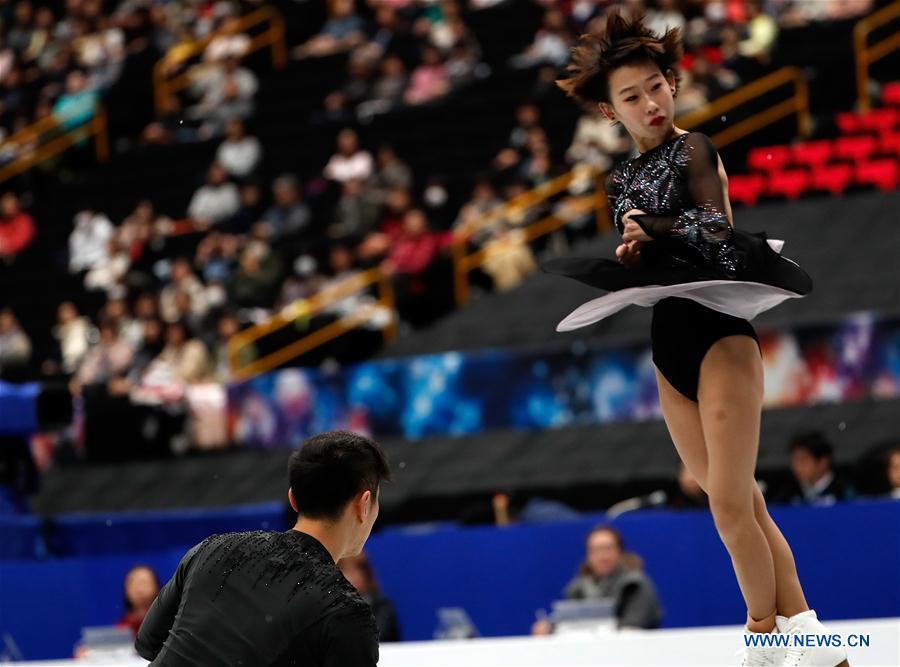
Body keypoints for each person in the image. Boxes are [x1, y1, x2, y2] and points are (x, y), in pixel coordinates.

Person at [546, 13, 845, 667]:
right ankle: (820, 647)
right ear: (608, 109)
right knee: (742, 505)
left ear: (672, 83)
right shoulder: (620, 180)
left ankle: (763, 637)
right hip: (668, 342)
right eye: (631, 96)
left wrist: (649, 226)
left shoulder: (696, 149)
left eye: (657, 86)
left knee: (734, 507)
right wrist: (631, 250)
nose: (650, 103)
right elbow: (651, 255)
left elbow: (715, 232)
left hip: (720, 334)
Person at [135, 430, 391, 665]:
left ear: (293, 498)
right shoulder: (344, 611)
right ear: (364, 504)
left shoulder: (211, 550)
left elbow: (148, 643)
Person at [532, 525, 662, 634]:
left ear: (620, 552)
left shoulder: (635, 584)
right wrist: (550, 629)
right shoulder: (578, 588)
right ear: (588, 556)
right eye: (596, 550)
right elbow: (570, 625)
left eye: (608, 548)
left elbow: (633, 627)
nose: (603, 556)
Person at [774, 432, 854, 505]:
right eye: (794, 460)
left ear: (823, 462)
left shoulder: (844, 492)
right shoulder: (787, 494)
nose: (796, 466)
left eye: (803, 460)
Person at [339, 552, 401, 642]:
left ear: (367, 574)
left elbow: (377, 638)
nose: (353, 576)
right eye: (345, 570)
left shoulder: (381, 606)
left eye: (358, 570)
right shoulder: (324, 608)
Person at [119, 565, 161, 636]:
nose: (140, 590)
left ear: (157, 588)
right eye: (135, 584)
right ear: (126, 591)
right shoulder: (121, 629)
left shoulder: (170, 625)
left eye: (145, 583)